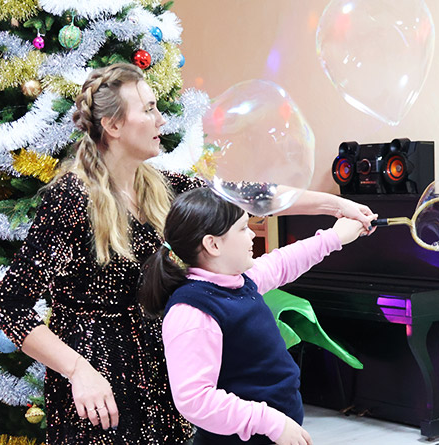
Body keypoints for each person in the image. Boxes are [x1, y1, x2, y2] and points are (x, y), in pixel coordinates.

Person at [0, 63, 376, 444]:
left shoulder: (162, 185)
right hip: (100, 384)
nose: (161, 119)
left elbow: (247, 195)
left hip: (161, 372)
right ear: (113, 125)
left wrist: (335, 205)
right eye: (149, 109)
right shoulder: (70, 200)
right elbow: (10, 307)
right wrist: (78, 371)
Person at [138, 187, 368, 445]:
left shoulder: (240, 280)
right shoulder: (193, 312)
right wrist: (270, 422)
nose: (251, 235)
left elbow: (284, 262)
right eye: (243, 228)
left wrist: (336, 236)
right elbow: (195, 399)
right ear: (213, 244)